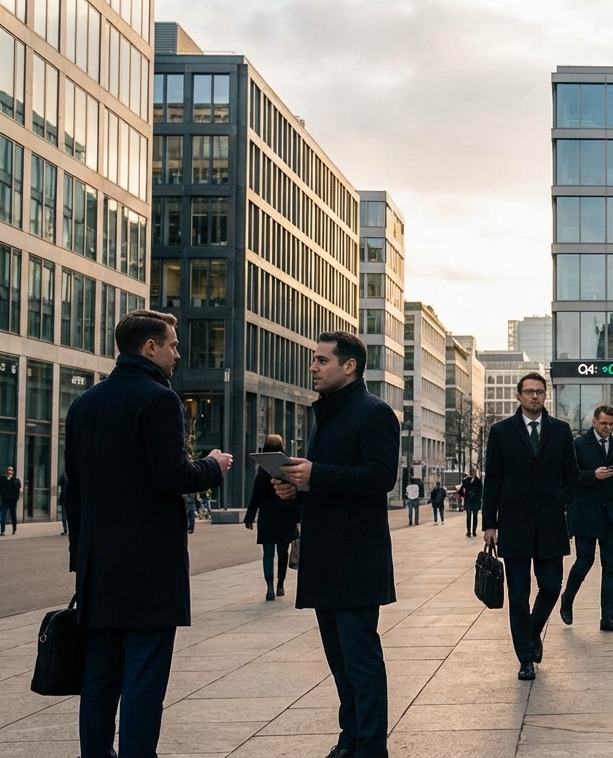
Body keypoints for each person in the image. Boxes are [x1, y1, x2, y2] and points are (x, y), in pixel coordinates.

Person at [64, 309, 232, 758]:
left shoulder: (84, 404)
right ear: (150, 347)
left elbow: (72, 492)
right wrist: (212, 467)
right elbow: (172, 475)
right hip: (150, 568)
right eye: (173, 345)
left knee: (99, 679)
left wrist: (81, 559)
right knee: (144, 676)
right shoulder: (159, 400)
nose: (178, 353)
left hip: (99, 566)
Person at [271, 331, 400, 758]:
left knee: (361, 660)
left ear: (349, 366)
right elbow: (325, 476)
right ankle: (351, 739)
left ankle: (370, 747)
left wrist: (317, 476)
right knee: (339, 661)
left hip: (357, 557)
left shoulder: (375, 413)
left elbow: (380, 477)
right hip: (325, 555)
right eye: (314, 360)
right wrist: (296, 488)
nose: (313, 367)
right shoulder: (324, 412)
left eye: (322, 360)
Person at [482, 372, 578, 681]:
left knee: (551, 586)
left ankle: (533, 630)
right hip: (514, 524)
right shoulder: (500, 432)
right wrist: (489, 523)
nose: (534, 396)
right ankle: (525, 658)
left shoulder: (561, 431)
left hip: (550, 524)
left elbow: (571, 475)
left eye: (539, 392)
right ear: (519, 396)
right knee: (519, 596)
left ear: (545, 395)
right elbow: (492, 480)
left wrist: (559, 500)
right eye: (529, 392)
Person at [560, 403, 613, 633]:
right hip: (585, 513)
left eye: (611, 424)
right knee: (585, 561)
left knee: (611, 567)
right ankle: (567, 600)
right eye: (603, 424)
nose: (607, 428)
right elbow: (568, 477)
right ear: (594, 422)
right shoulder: (579, 444)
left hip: (611, 514)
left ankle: (607, 618)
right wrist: (593, 475)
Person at [245, 434, 301, 602]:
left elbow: (256, 496)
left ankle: (269, 587)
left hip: (267, 518)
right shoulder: (287, 468)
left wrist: (250, 517)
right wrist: (298, 519)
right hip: (285, 517)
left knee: (268, 554)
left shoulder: (263, 471)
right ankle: (280, 585)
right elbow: (295, 494)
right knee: (283, 553)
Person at [462, 468, 483, 538]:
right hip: (468, 500)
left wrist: (476, 495)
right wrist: (465, 492)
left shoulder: (478, 481)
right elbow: (462, 490)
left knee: (475, 516)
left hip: (475, 501)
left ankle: (474, 531)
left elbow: (480, 491)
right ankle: (468, 531)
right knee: (468, 516)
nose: (472, 474)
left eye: (473, 472)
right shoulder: (466, 481)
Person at [0, 466, 20, 535]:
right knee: (3, 515)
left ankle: (14, 529)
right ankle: (2, 530)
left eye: (11, 471)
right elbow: (3, 485)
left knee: (13, 515)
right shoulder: (3, 479)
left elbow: (17, 488)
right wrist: (7, 479)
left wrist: (16, 498)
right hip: (5, 500)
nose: (10, 472)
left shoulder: (16, 480)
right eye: (9, 470)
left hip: (12, 500)